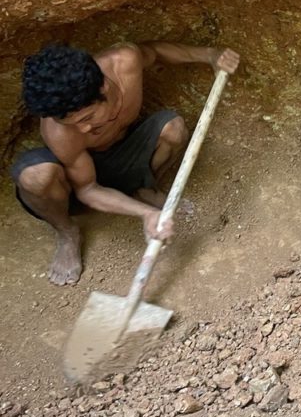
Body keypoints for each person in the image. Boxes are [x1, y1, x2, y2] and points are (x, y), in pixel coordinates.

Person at [11, 41, 240, 286]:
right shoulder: (58, 132)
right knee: (36, 176)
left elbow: (157, 52)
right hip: (77, 184)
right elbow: (87, 189)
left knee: (173, 128)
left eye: (88, 117)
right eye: (72, 123)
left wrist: (210, 54)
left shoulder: (124, 61)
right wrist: (146, 215)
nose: (84, 129)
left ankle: (145, 189)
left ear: (102, 86)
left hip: (124, 156)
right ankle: (67, 233)